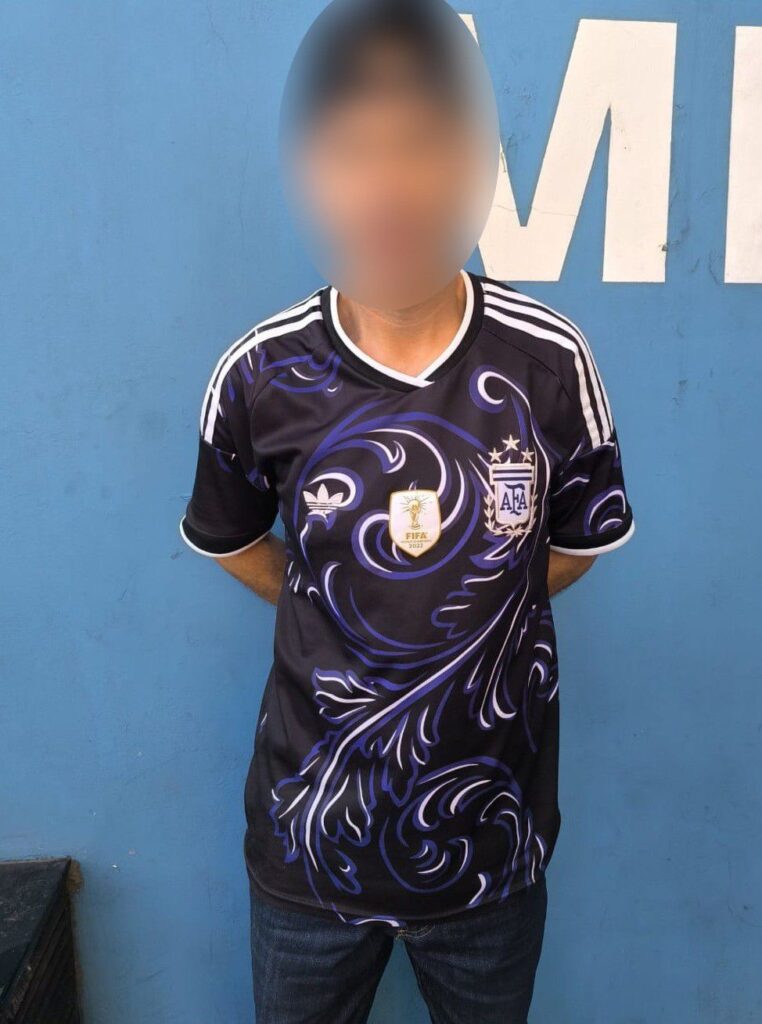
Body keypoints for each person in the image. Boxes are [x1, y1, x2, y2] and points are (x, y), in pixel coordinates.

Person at [178, 1, 636, 1021]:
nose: (388, 185)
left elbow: (574, 547)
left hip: (492, 847)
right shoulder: (259, 376)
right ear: (313, 173)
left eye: (421, 145)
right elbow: (236, 541)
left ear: (470, 163)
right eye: (354, 151)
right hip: (308, 848)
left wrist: (467, 604)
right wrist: (343, 605)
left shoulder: (548, 363)